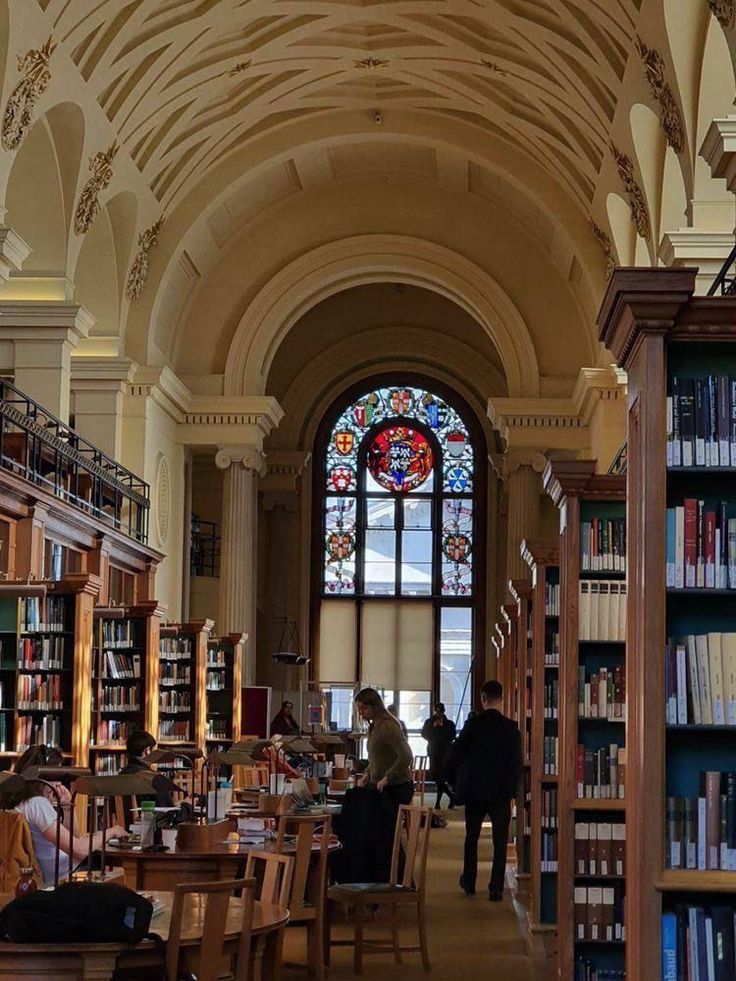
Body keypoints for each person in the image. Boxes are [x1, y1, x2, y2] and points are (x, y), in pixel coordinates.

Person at [4, 745, 125, 886]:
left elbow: (75, 838)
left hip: (62, 871)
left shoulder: (18, 804)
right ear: (43, 776)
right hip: (66, 875)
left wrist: (68, 807)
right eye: (56, 776)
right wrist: (111, 832)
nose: (58, 783)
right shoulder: (37, 804)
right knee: (120, 877)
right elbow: (79, 850)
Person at [445, 680, 522, 902]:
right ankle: (496, 887)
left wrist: (453, 779)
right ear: (502, 699)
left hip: (475, 790)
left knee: (472, 837)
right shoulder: (511, 728)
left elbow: (457, 752)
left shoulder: (473, 725)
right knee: (500, 841)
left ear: (482, 698)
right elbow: (515, 763)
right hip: (501, 793)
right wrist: (513, 791)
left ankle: (469, 880)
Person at [355, 688, 414, 812]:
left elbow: (406, 755)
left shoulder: (388, 726)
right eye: (359, 709)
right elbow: (377, 758)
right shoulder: (374, 726)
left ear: (375, 707)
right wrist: (367, 774)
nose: (361, 712)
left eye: (364, 708)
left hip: (396, 786)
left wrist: (388, 778)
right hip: (379, 784)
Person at [119, 730, 174, 807]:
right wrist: (186, 805)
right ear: (147, 751)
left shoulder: (119, 776)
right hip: (148, 818)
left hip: (122, 819)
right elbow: (168, 812)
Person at [421, 702, 456, 809]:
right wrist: (433, 727)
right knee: (434, 775)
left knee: (441, 777)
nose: (439, 713)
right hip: (433, 752)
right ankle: (451, 796)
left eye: (440, 711)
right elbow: (424, 734)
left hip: (444, 754)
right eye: (437, 711)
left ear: (443, 711)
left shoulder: (449, 723)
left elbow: (452, 736)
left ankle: (438, 803)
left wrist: (442, 728)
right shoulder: (429, 722)